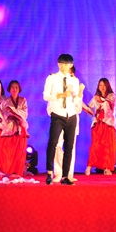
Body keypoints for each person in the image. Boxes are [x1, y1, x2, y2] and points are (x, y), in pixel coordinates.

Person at [42, 54, 80, 185]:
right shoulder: (52, 78)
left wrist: (77, 95)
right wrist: (60, 95)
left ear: (71, 65)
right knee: (53, 143)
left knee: (69, 146)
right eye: (61, 64)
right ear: (58, 64)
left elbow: (76, 99)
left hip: (71, 115)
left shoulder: (74, 80)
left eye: (66, 64)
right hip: (58, 114)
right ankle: (49, 172)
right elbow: (46, 96)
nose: (63, 66)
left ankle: (65, 176)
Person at [52, 65, 91, 182]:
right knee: (57, 145)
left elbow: (78, 107)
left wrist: (80, 97)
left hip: (72, 120)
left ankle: (68, 174)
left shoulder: (76, 89)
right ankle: (58, 173)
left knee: (71, 147)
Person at [85, 78, 116, 176]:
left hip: (108, 124)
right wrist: (84, 108)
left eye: (104, 85)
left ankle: (107, 168)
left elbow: (109, 105)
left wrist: (101, 100)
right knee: (95, 146)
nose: (102, 87)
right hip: (98, 124)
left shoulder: (111, 96)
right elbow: (90, 109)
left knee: (108, 146)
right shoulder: (96, 97)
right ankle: (90, 166)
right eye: (100, 85)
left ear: (107, 86)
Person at [0, 80, 28, 178]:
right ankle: (5, 170)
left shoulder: (23, 100)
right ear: (9, 89)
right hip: (8, 128)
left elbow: (24, 114)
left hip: (20, 128)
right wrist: (8, 115)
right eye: (12, 87)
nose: (14, 89)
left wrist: (13, 112)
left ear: (19, 89)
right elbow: (2, 113)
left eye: (16, 87)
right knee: (6, 151)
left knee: (19, 152)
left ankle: (16, 172)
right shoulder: (5, 101)